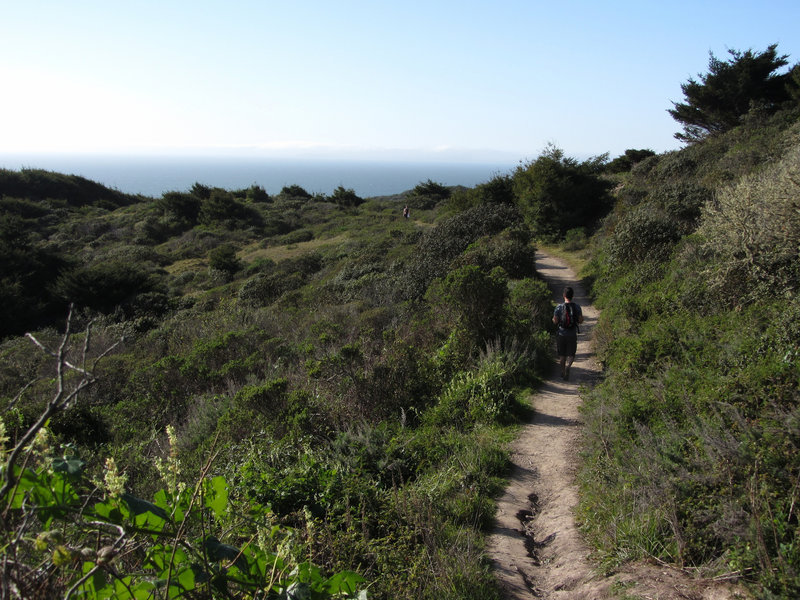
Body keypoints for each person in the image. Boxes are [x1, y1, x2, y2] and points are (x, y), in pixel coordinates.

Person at [552, 286, 583, 380]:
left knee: (562, 355)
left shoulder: (559, 307)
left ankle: (563, 371)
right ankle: (568, 367)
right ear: (572, 296)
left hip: (561, 333)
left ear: (563, 295)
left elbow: (555, 321)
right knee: (571, 354)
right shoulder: (577, 307)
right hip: (572, 333)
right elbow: (580, 320)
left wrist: (553, 320)